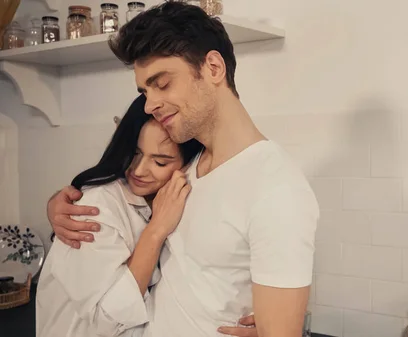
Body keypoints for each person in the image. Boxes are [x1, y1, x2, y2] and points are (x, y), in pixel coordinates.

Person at [46, 1, 319, 337]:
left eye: (162, 84)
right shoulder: (187, 167)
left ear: (214, 68)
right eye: (145, 91)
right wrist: (58, 205)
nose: (150, 104)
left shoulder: (276, 189)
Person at [37, 94, 201, 336]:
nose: (140, 170)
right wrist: (155, 231)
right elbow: (108, 319)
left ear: (187, 165)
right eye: (134, 153)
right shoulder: (96, 205)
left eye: (160, 162)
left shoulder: (170, 199)